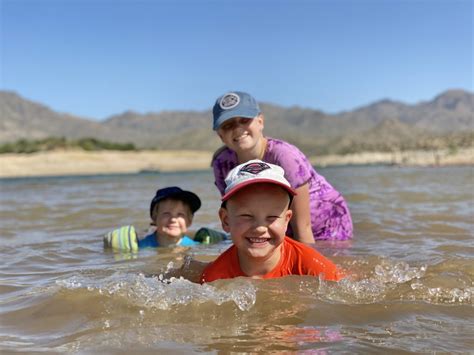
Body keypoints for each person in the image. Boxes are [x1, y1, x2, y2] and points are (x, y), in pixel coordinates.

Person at [211, 91, 353, 243]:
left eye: (244, 120)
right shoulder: (222, 164)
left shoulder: (284, 156)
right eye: (228, 125)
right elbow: (235, 218)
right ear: (220, 135)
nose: (238, 129)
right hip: (277, 226)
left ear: (260, 121)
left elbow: (303, 228)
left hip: (324, 227)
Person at [200, 160, 345, 283]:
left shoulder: (314, 268)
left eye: (272, 217)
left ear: (287, 220)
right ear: (226, 220)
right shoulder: (214, 278)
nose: (260, 228)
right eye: (246, 216)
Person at [104, 186, 225, 251]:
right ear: (154, 218)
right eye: (166, 214)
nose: (173, 219)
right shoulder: (141, 248)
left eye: (180, 215)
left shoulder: (195, 247)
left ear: (190, 220)